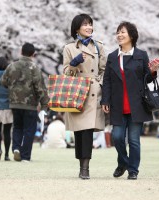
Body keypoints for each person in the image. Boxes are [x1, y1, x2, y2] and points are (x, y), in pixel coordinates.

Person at [101, 21, 159, 180]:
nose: (119, 35)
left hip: (137, 105)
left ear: (132, 36)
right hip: (117, 105)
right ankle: (123, 163)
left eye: (123, 32)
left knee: (134, 140)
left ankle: (133, 170)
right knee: (118, 137)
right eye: (118, 32)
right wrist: (105, 100)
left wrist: (153, 72)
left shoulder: (141, 55)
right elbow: (106, 80)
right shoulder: (112, 57)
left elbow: (147, 80)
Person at [62, 14, 107, 179]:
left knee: (87, 130)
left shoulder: (99, 47)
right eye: (85, 25)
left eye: (90, 24)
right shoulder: (69, 48)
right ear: (77, 29)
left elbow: (104, 71)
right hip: (76, 91)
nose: (89, 27)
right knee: (79, 132)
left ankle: (85, 168)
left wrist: (100, 85)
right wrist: (74, 63)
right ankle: (81, 163)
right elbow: (66, 73)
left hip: (93, 92)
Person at [1, 42, 49, 162]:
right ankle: (25, 156)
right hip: (30, 104)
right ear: (33, 54)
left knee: (17, 127)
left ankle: (16, 148)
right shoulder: (35, 68)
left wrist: (13, 88)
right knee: (29, 129)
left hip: (14, 102)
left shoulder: (11, 66)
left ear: (21, 52)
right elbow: (40, 88)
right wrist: (44, 105)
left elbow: (3, 81)